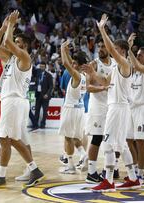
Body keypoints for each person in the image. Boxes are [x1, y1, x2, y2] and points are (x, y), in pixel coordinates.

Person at [0, 11, 44, 188]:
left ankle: (2, 175)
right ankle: (33, 169)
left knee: (5, 139)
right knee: (12, 139)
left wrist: (10, 25)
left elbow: (7, 42)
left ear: (24, 46)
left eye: (18, 43)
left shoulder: (24, 57)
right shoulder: (11, 58)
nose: (13, 45)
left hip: (14, 100)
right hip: (12, 101)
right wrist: (3, 27)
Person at [82, 14, 140, 192]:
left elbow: (111, 49)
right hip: (118, 108)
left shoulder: (124, 64)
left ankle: (108, 181)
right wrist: (92, 72)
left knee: (107, 143)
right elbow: (105, 82)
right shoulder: (117, 66)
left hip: (118, 108)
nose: (111, 50)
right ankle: (132, 178)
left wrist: (101, 29)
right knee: (121, 145)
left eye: (115, 49)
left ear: (121, 51)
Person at [85, 38, 117, 183]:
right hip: (98, 107)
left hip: (111, 106)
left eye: (103, 46)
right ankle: (91, 172)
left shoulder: (115, 64)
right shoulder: (94, 64)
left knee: (112, 138)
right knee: (97, 138)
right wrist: (103, 87)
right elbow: (88, 87)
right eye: (99, 46)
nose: (100, 49)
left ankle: (111, 167)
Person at [126, 33, 144, 184]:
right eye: (136, 55)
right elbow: (128, 65)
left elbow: (136, 65)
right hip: (131, 109)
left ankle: (141, 174)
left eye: (140, 55)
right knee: (128, 139)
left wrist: (128, 49)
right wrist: (128, 48)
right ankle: (135, 169)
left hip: (143, 109)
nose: (137, 58)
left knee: (140, 141)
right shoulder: (134, 70)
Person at [58, 40, 88, 174]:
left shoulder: (76, 75)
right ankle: (83, 154)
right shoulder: (84, 75)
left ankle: (70, 166)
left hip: (71, 109)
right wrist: (67, 52)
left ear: (80, 66)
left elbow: (65, 63)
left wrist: (61, 49)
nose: (72, 64)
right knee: (76, 138)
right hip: (80, 108)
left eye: (75, 63)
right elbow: (70, 63)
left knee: (68, 138)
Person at [33, 61, 54, 129]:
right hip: (38, 94)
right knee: (37, 110)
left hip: (45, 95)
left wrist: (47, 94)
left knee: (45, 111)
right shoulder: (37, 73)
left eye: (43, 66)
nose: (41, 67)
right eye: (40, 66)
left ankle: (43, 124)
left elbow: (51, 86)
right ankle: (35, 124)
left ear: (45, 67)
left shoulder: (49, 75)